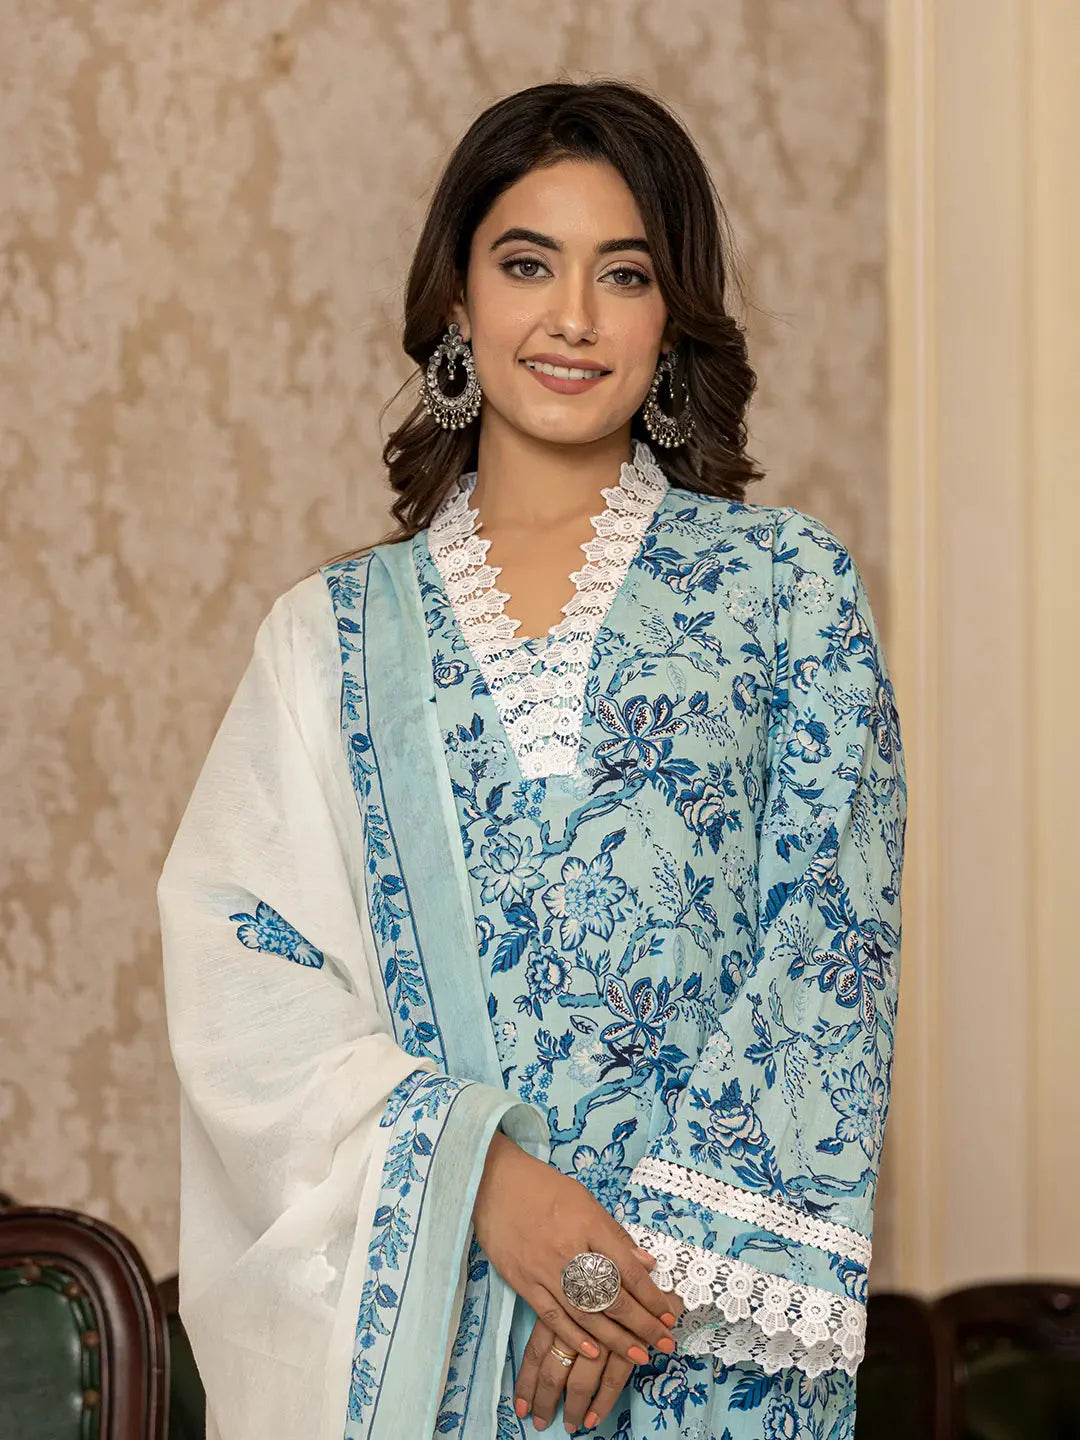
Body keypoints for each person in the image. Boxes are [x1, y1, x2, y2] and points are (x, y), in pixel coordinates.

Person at [158, 79, 907, 1440]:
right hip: (444, 1335)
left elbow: (828, 961)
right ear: (457, 300)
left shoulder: (788, 591)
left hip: (713, 1352)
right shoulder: (330, 636)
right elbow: (244, 971)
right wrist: (488, 1182)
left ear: (671, 318)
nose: (572, 317)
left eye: (624, 274)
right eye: (526, 264)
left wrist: (635, 1291)